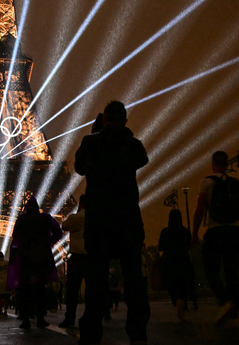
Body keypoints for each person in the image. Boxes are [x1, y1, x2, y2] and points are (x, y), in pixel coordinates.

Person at [75, 101, 150, 345]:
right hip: (127, 218)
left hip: (99, 220)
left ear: (104, 119)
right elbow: (141, 160)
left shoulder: (91, 142)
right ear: (125, 121)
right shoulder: (133, 145)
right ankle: (138, 331)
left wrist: (97, 133)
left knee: (96, 278)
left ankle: (91, 331)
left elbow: (78, 167)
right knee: (134, 276)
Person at [191, 150, 239, 327]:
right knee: (231, 272)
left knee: (211, 270)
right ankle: (233, 310)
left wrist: (194, 233)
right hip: (234, 232)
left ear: (213, 164)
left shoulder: (206, 183)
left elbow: (199, 210)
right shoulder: (236, 184)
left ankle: (225, 300)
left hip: (215, 230)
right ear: (227, 165)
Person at [7, 198, 63, 329]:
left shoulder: (22, 220)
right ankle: (40, 318)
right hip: (42, 256)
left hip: (25, 257)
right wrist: (49, 242)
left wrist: (14, 256)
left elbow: (15, 238)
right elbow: (58, 232)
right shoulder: (45, 218)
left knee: (24, 290)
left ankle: (25, 319)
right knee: (40, 288)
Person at [158, 209, 193, 321]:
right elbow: (188, 246)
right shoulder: (185, 231)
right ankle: (182, 301)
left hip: (169, 261)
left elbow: (160, 247)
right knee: (183, 284)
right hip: (183, 260)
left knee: (171, 285)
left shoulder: (165, 232)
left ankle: (176, 302)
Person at [59, 194, 87, 328]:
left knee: (72, 291)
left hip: (76, 257)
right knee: (94, 288)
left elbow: (63, 226)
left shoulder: (74, 218)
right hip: (91, 257)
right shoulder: (97, 218)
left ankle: (70, 318)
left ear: (80, 204)